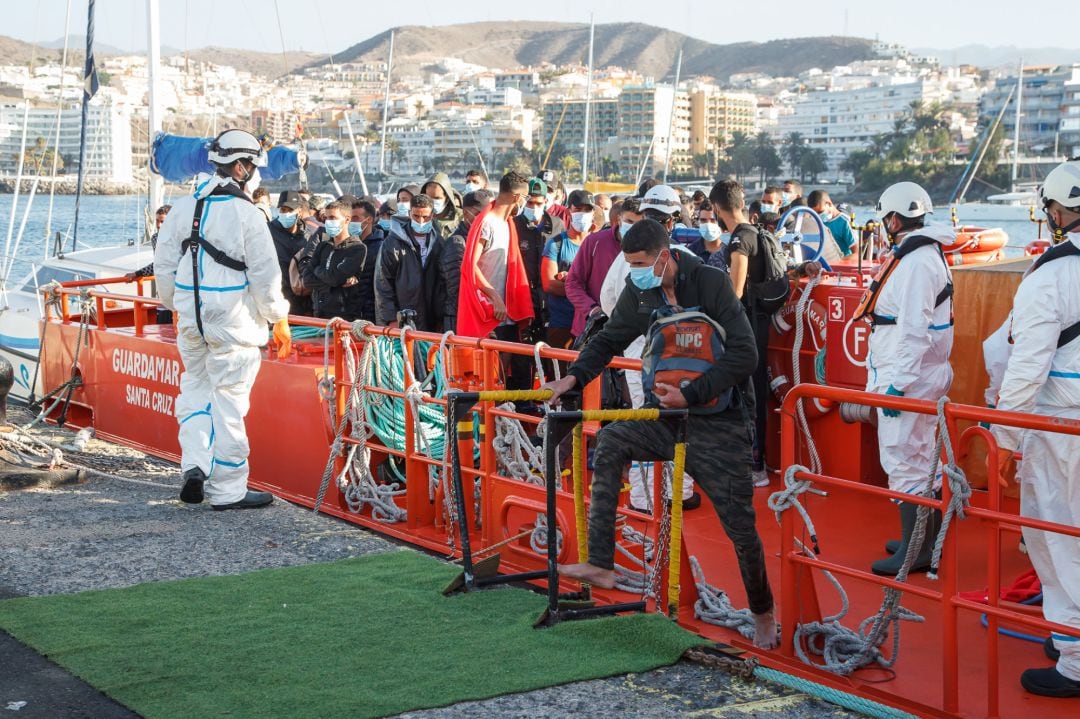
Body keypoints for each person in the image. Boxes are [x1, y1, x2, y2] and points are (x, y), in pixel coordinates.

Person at [544, 219, 777, 648]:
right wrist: (573, 377)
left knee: (740, 528)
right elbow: (610, 338)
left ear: (665, 256)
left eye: (639, 263)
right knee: (612, 440)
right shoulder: (641, 291)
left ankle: (763, 610)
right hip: (665, 416)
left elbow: (746, 354)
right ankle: (600, 563)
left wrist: (692, 394)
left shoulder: (711, 284)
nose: (634, 271)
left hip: (718, 421)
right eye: (629, 263)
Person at [153, 128, 290, 511]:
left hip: (190, 320)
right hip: (233, 322)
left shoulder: (183, 207)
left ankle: (195, 465)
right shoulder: (247, 213)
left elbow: (164, 268)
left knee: (194, 389)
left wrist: (177, 305)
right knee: (229, 402)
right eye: (254, 168)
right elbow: (266, 277)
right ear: (243, 167)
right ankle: (229, 489)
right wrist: (277, 316)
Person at [993, 161, 1080, 698]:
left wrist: (1003, 439)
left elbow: (1027, 366)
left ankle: (1074, 660)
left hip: (1061, 426)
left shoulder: (1050, 274)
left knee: (1058, 534)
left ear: (1054, 211)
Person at [862, 181, 956, 576]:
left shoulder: (916, 262)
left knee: (902, 457)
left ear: (895, 219)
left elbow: (914, 328)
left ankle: (916, 551)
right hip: (920, 371)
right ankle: (923, 540)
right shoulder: (923, 254)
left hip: (910, 376)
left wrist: (897, 385)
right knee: (920, 456)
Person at [456, 173, 535, 394]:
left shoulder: (506, 223)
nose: (526, 203)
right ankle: (485, 424)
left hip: (505, 312)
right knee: (486, 377)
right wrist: (494, 297)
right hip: (488, 311)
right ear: (517, 197)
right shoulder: (487, 223)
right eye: (526, 198)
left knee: (501, 377)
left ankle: (497, 422)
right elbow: (469, 266)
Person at [565, 198, 639, 339]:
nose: (634, 227)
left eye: (639, 224)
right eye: (629, 222)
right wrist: (592, 309)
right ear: (619, 219)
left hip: (630, 334)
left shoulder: (648, 247)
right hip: (591, 328)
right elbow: (572, 283)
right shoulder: (594, 242)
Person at [375, 194, 448, 331]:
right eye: (416, 216)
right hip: (402, 317)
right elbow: (383, 282)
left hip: (433, 318)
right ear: (409, 214)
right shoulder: (392, 243)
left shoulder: (439, 242)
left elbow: (443, 283)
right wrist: (391, 318)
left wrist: (441, 317)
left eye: (425, 217)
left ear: (432, 215)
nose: (421, 221)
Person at [542, 189, 596, 350]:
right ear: (568, 211)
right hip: (562, 322)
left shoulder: (597, 243)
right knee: (560, 371)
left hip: (591, 322)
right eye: (578, 209)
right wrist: (584, 288)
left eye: (588, 210)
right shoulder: (556, 244)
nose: (583, 214)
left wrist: (571, 282)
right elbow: (549, 284)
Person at [514, 179, 565, 344]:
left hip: (550, 301)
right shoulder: (514, 225)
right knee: (522, 355)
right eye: (529, 202)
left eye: (538, 203)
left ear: (545, 202)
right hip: (523, 298)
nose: (534, 207)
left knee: (550, 354)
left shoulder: (557, 225)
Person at [300, 201, 368, 321]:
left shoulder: (357, 248)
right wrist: (330, 282)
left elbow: (336, 278)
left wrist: (317, 269)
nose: (328, 222)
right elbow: (307, 280)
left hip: (344, 317)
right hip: (319, 314)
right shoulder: (323, 246)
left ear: (347, 219)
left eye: (333, 217)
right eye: (326, 218)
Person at [444, 189, 495, 332]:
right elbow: (458, 289)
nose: (485, 219)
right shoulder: (457, 243)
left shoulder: (480, 239)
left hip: (477, 314)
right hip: (460, 318)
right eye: (480, 214)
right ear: (466, 214)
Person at [267, 190, 312, 316]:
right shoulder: (267, 232)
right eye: (282, 209)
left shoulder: (308, 236)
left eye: (289, 210)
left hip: (302, 301)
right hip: (277, 297)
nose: (285, 213)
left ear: (299, 211)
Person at [124, 204, 172, 281]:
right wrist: (137, 274)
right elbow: (158, 264)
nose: (158, 225)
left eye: (162, 222)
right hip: (164, 282)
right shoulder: (155, 238)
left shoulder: (180, 237)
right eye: (157, 221)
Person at [808, 190, 855, 257]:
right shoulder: (816, 222)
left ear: (829, 204)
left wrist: (837, 261)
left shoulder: (844, 222)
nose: (818, 216)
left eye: (820, 212)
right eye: (814, 213)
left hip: (841, 263)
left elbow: (857, 254)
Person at [686, 199, 729, 271]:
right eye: (703, 220)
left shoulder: (731, 250)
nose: (708, 225)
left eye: (713, 220)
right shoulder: (690, 252)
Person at [421, 172, 463, 237]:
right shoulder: (419, 217)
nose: (432, 201)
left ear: (447, 198)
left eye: (437, 198)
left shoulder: (461, 217)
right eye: (428, 197)